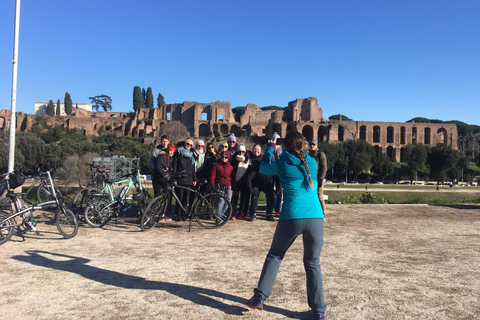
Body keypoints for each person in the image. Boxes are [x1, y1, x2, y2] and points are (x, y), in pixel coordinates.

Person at [245, 131, 327, 320]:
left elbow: (264, 168)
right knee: (312, 263)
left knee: (275, 255)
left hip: (292, 216)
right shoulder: (311, 163)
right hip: (316, 217)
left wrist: (271, 148)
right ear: (304, 145)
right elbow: (302, 161)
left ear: (286, 146)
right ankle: (320, 310)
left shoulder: (282, 163)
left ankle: (259, 297)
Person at [246, 144, 276, 221]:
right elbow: (249, 177)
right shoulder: (259, 165)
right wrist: (251, 190)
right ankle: (253, 214)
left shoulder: (272, 166)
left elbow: (277, 177)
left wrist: (277, 190)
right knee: (255, 195)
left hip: (267, 185)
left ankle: (269, 213)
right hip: (257, 184)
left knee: (274, 197)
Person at [172, 139, 197, 221]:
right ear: (184, 144)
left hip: (189, 179)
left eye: (190, 145)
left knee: (185, 199)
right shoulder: (178, 153)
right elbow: (175, 166)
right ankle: (178, 215)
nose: (188, 146)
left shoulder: (191, 156)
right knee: (179, 197)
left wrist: (194, 179)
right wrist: (174, 178)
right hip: (180, 179)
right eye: (187, 144)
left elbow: (193, 169)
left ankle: (184, 215)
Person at [209, 151, 235, 219]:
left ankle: (221, 215)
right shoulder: (216, 165)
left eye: (226, 157)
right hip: (220, 185)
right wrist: (212, 185)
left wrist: (234, 189)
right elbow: (212, 176)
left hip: (228, 186)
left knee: (228, 201)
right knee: (221, 200)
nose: (224, 158)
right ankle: (218, 217)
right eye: (222, 157)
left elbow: (233, 178)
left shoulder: (231, 167)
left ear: (228, 158)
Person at [153, 144, 176, 220]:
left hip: (164, 180)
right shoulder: (162, 156)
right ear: (168, 151)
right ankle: (156, 214)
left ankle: (162, 214)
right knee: (158, 197)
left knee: (164, 198)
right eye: (170, 150)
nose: (171, 152)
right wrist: (164, 171)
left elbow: (171, 169)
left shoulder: (169, 159)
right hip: (158, 179)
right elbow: (158, 167)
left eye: (173, 151)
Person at [230, 145, 251, 219]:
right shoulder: (234, 160)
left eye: (243, 152)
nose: (241, 153)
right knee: (234, 198)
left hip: (244, 182)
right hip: (235, 181)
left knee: (243, 198)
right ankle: (233, 213)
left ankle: (242, 213)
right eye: (239, 151)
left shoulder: (247, 160)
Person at [308, 139, 328, 216]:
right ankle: (313, 211)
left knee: (319, 195)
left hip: (318, 177)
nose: (312, 146)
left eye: (313, 145)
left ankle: (323, 212)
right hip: (310, 177)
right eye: (310, 145)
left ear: (317, 146)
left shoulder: (320, 154)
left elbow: (324, 167)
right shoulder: (308, 154)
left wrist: (321, 178)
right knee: (311, 195)